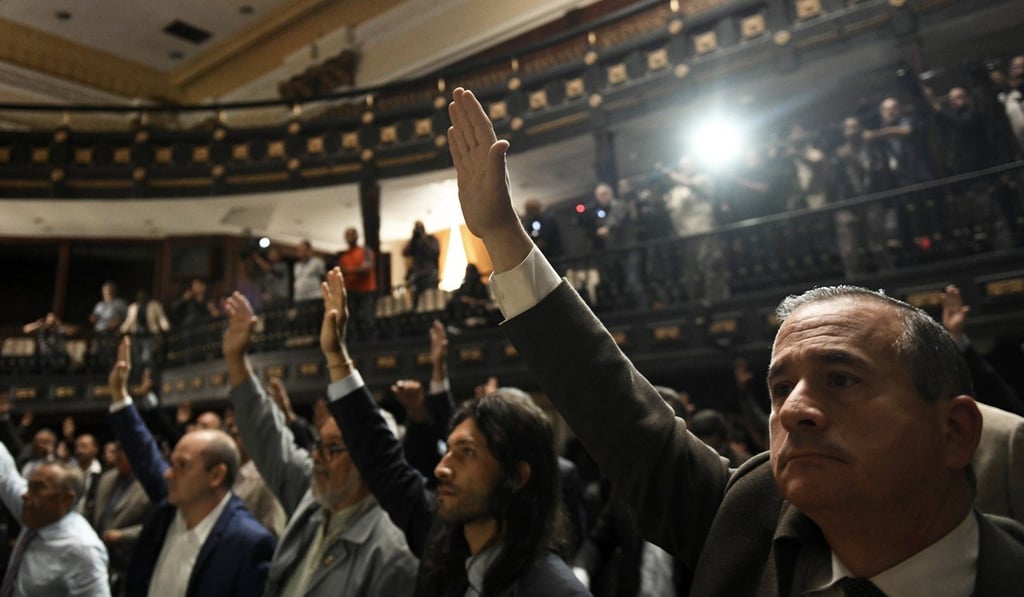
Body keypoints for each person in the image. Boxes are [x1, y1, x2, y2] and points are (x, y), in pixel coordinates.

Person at [446, 86, 1024, 595]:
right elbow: (612, 405)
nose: (794, 408)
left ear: (954, 432)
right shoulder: (750, 521)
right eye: (780, 388)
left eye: (840, 379)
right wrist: (500, 233)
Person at [319, 267, 589, 595]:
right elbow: (381, 459)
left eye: (467, 453)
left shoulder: (555, 591)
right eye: (448, 450)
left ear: (517, 477)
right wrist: (336, 356)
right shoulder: (442, 539)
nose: (441, 467)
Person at [222, 292, 417, 596]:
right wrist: (236, 360)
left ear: (370, 461)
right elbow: (268, 439)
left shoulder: (395, 552)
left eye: (334, 448)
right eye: (319, 445)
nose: (318, 458)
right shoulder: (313, 497)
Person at [107, 338, 276, 597]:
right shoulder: (168, 510)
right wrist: (120, 396)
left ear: (216, 475)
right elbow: (144, 454)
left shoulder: (249, 543)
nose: (167, 473)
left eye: (182, 466)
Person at [0, 442, 109, 596]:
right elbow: (6, 476)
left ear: (65, 499)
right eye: (29, 486)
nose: (25, 495)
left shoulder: (82, 548)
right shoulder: (38, 514)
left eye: (37, 488)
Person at [90, 443, 154, 596]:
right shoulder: (107, 477)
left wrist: (122, 535)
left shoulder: (150, 485)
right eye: (118, 452)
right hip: (97, 550)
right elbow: (92, 510)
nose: (119, 456)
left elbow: (153, 526)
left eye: (124, 452)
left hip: (127, 557)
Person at [336, 227, 377, 342]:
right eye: (347, 235)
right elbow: (340, 271)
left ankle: (372, 345)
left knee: (367, 319)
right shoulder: (344, 256)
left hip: (366, 291)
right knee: (351, 321)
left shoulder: (366, 251)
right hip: (351, 291)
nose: (350, 237)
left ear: (357, 236)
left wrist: (348, 271)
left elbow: (367, 268)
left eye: (352, 234)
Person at [121, 289, 171, 373]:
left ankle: (151, 375)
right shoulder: (133, 307)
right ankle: (139, 378)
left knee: (147, 357)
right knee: (137, 359)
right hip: (136, 336)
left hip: (149, 335)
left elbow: (161, 317)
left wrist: (166, 327)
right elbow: (129, 321)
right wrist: (122, 330)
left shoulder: (154, 305)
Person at [403, 221, 441, 309]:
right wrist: (413, 238)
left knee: (430, 300)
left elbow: (435, 251)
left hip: (429, 274)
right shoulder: (414, 242)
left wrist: (424, 237)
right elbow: (404, 252)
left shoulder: (431, 239)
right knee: (416, 302)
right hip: (417, 276)